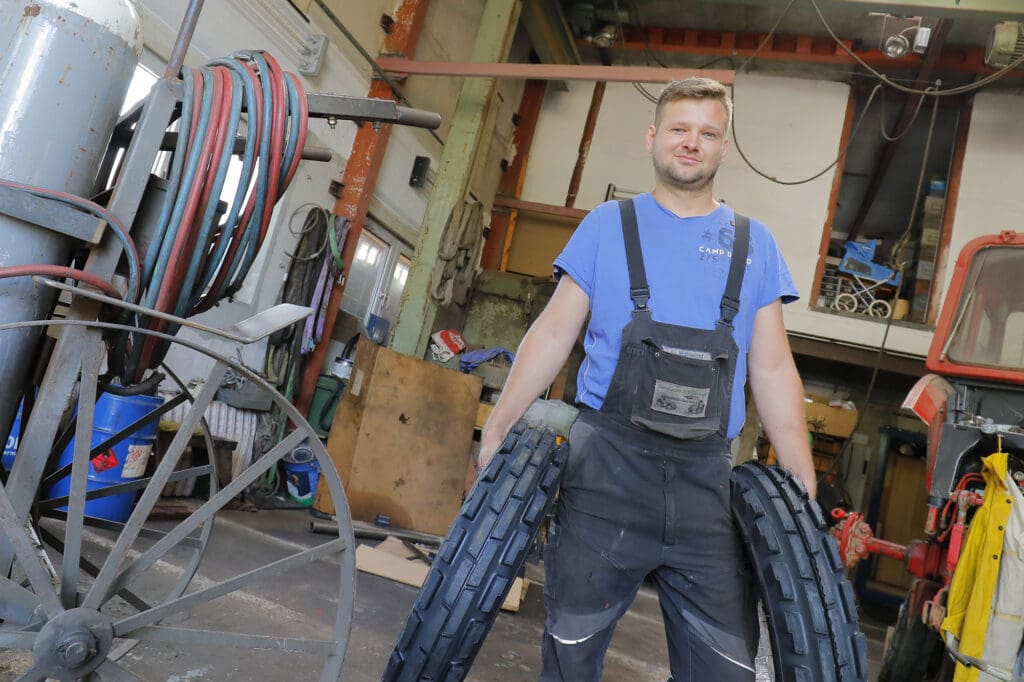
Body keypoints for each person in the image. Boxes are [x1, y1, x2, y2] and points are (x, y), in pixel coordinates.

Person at [479, 77, 816, 681]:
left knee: (724, 672)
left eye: (708, 132)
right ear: (653, 137)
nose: (692, 143)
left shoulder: (754, 244)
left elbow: (770, 368)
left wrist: (801, 481)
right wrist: (498, 426)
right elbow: (554, 332)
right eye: (680, 129)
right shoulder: (608, 225)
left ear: (724, 148)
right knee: (571, 660)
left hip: (706, 493)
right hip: (604, 477)